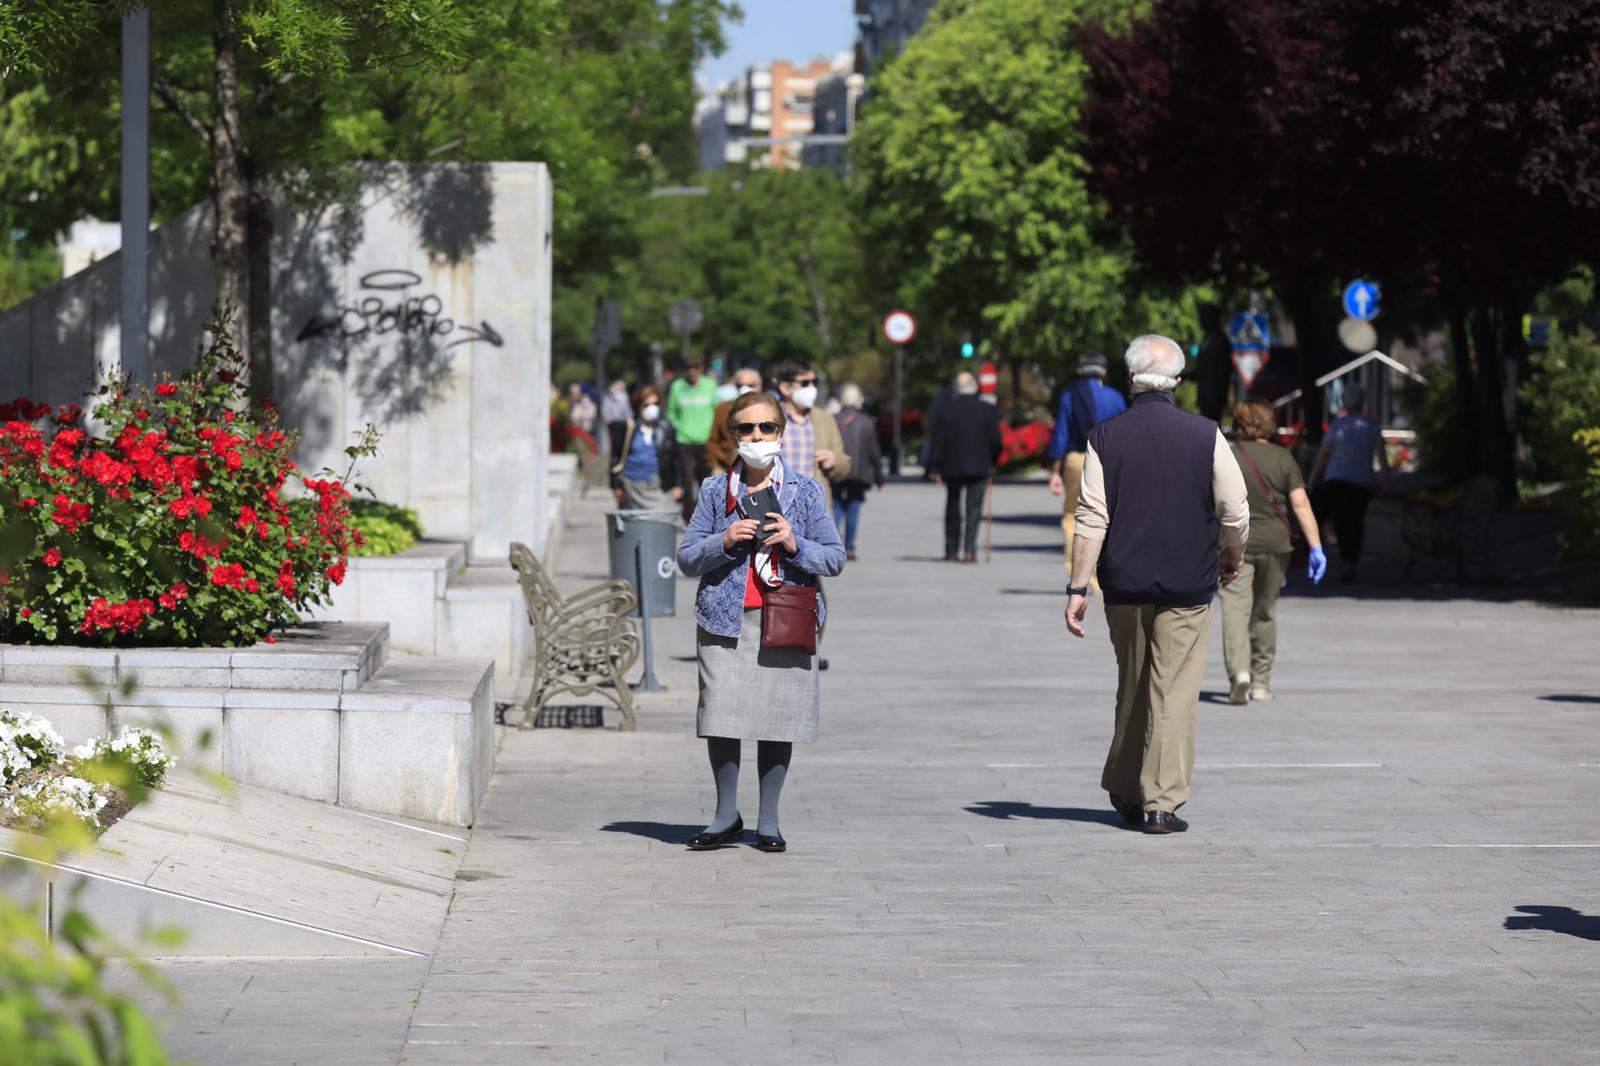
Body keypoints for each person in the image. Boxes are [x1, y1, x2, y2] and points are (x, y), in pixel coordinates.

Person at [1065, 335, 1250, 835]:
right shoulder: (1205, 433)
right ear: (1177, 383)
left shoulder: (1104, 436)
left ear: (1130, 381)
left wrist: (1078, 588)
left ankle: (1125, 788)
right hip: (1188, 582)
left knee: (1133, 683)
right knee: (1173, 690)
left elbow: (1091, 516)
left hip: (1124, 582)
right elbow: (1235, 509)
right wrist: (1232, 555)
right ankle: (1160, 802)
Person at [676, 392, 847, 853]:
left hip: (784, 618)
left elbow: (834, 559)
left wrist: (796, 544)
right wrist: (724, 539)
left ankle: (768, 821)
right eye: (746, 429)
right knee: (721, 718)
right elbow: (687, 558)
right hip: (724, 619)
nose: (756, 437)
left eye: (765, 428)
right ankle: (725, 815)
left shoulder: (806, 491)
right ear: (733, 436)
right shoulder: (715, 491)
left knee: (778, 721)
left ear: (780, 433)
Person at [1219, 398, 1328, 705]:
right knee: (1265, 612)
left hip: (1232, 545)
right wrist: (1316, 546)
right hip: (1275, 544)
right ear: (1269, 424)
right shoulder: (1284, 459)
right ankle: (1261, 682)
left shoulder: (1226, 457)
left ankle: (1238, 673)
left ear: (1240, 424)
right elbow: (1300, 505)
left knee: (1234, 611)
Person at [1046, 351, 1127, 581]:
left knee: (1073, 515)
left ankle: (1077, 571)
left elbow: (1061, 432)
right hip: (1107, 459)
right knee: (1105, 516)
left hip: (1077, 459)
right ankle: (1101, 573)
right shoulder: (1115, 397)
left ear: (1080, 371)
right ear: (1104, 371)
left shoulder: (1070, 395)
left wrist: (1055, 471)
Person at [1309, 382, 1390, 582]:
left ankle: (1346, 559)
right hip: (1362, 481)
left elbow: (1324, 454)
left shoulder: (1338, 424)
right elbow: (1381, 456)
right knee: (1356, 521)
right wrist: (1387, 480)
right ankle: (1351, 560)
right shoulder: (1371, 425)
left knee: (1341, 520)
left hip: (1337, 478)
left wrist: (1313, 478)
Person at [927, 371, 1002, 562]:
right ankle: (970, 550)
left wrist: (935, 466)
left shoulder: (946, 410)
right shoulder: (987, 409)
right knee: (974, 509)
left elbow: (937, 441)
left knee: (952, 507)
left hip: (952, 466)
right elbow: (996, 441)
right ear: (975, 388)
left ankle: (951, 550)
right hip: (979, 465)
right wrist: (993, 461)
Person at [773, 361, 852, 494]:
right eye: (804, 383)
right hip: (776, 505)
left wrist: (835, 462)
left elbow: (844, 465)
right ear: (785, 388)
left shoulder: (825, 420)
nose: (811, 388)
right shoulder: (768, 418)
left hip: (815, 507)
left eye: (814, 382)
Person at [608, 384, 682, 511]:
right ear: (638, 406)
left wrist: (678, 485)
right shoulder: (627, 427)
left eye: (655, 404)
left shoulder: (666, 427)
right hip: (632, 487)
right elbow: (616, 457)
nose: (652, 409)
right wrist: (616, 486)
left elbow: (675, 458)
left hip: (659, 486)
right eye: (647, 405)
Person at [832, 383, 884, 561]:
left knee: (836, 505)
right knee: (853, 508)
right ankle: (850, 547)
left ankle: (833, 545)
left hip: (836, 469)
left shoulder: (833, 419)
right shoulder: (867, 421)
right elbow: (874, 452)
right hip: (858, 471)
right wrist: (879, 477)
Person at [666, 355, 720, 520]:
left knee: (705, 478)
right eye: (689, 368)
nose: (692, 372)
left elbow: (717, 410)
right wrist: (680, 427)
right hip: (685, 439)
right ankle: (688, 514)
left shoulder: (710, 386)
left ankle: (707, 512)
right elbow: (671, 412)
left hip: (705, 439)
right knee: (688, 479)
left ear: (701, 369)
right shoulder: (677, 387)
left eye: (695, 368)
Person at [706, 367, 764, 474]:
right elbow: (714, 438)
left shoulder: (768, 410)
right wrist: (714, 464)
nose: (744, 388)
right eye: (740, 385)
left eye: (750, 385)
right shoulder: (723, 408)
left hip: (758, 471)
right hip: (726, 468)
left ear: (759, 386)